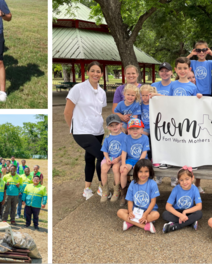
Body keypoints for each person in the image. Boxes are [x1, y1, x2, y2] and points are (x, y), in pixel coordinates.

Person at [64, 61, 107, 200]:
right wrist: (72, 127)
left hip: (98, 130)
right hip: (81, 131)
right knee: (102, 157)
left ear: (101, 74)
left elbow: (98, 111)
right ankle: (102, 187)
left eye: (98, 71)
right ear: (87, 72)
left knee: (90, 158)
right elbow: (67, 112)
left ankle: (87, 189)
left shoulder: (102, 92)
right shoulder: (78, 88)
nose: (96, 74)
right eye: (93, 71)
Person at [116, 159, 159, 233]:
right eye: (140, 171)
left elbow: (153, 202)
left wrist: (145, 214)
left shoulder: (153, 184)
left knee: (156, 215)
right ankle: (145, 226)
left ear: (150, 172)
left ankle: (131, 222)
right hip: (135, 211)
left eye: (146, 171)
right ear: (136, 172)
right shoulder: (133, 183)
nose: (143, 174)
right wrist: (130, 212)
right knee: (119, 212)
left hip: (148, 211)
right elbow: (130, 200)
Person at [162, 167, 203, 233]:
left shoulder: (195, 189)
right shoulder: (176, 189)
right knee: (165, 214)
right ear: (178, 180)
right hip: (177, 212)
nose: (184, 182)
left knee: (199, 213)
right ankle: (190, 222)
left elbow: (199, 206)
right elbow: (168, 206)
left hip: (188, 212)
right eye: (181, 180)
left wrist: (185, 212)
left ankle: (175, 226)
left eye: (187, 179)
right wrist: (180, 215)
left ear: (192, 178)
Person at [120, 119, 149, 207]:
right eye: (132, 129)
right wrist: (123, 164)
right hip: (130, 159)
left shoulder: (145, 138)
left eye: (137, 128)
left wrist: (139, 163)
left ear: (142, 129)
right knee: (124, 171)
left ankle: (139, 191)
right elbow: (124, 152)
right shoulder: (126, 138)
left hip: (142, 160)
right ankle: (123, 193)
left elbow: (144, 152)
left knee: (140, 171)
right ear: (128, 130)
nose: (135, 131)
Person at [100, 114, 126, 203]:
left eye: (116, 124)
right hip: (109, 157)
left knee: (115, 168)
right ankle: (105, 190)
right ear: (108, 127)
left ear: (121, 124)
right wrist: (107, 158)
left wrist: (118, 159)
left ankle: (116, 190)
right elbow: (105, 150)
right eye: (112, 125)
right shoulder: (107, 138)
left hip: (120, 158)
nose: (114, 127)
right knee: (103, 169)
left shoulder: (124, 137)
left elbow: (125, 151)